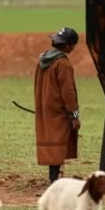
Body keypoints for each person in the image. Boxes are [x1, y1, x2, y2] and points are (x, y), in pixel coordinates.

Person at [34, 26, 81, 183]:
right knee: (58, 144)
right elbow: (69, 94)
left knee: (52, 142)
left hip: (44, 108)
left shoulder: (43, 60)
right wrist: (74, 116)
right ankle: (54, 180)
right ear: (67, 45)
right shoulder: (63, 64)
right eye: (73, 45)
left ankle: (54, 177)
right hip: (59, 111)